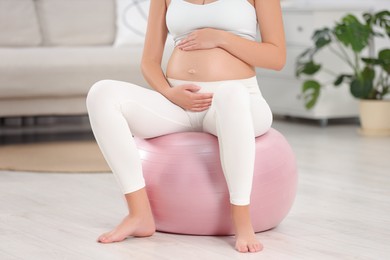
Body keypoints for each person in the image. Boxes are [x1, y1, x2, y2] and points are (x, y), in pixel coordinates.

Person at [86, 0, 286, 253]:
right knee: (102, 93)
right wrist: (169, 92)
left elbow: (277, 57)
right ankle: (139, 214)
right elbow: (149, 61)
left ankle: (242, 221)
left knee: (230, 94)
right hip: (180, 104)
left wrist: (221, 38)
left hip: (239, 101)